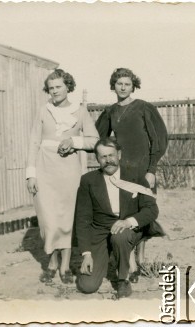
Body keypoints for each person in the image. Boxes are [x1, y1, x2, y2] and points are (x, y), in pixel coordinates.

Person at [26, 69, 99, 284]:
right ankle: (52, 261)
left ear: (68, 86)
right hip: (44, 169)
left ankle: (65, 265)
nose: (55, 91)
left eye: (58, 86)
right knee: (48, 218)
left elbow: (94, 140)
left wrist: (74, 142)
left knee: (67, 217)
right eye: (51, 88)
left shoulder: (80, 111)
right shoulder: (43, 111)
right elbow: (33, 143)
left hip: (70, 170)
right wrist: (31, 174)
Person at [95, 68, 168, 282]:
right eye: (119, 83)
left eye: (127, 83)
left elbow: (160, 140)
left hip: (143, 169)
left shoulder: (144, 108)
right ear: (113, 86)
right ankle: (130, 262)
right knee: (124, 213)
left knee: (143, 210)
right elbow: (98, 138)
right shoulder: (110, 112)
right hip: (122, 170)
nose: (123, 87)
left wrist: (151, 169)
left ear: (133, 86)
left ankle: (142, 257)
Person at [75, 137, 159, 298]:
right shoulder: (88, 181)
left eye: (111, 155)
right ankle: (114, 255)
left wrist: (128, 222)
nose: (108, 161)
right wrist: (86, 254)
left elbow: (151, 209)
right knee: (87, 286)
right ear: (97, 159)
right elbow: (82, 219)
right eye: (103, 157)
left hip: (128, 229)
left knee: (120, 237)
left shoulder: (135, 176)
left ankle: (123, 280)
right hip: (100, 231)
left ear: (119, 154)